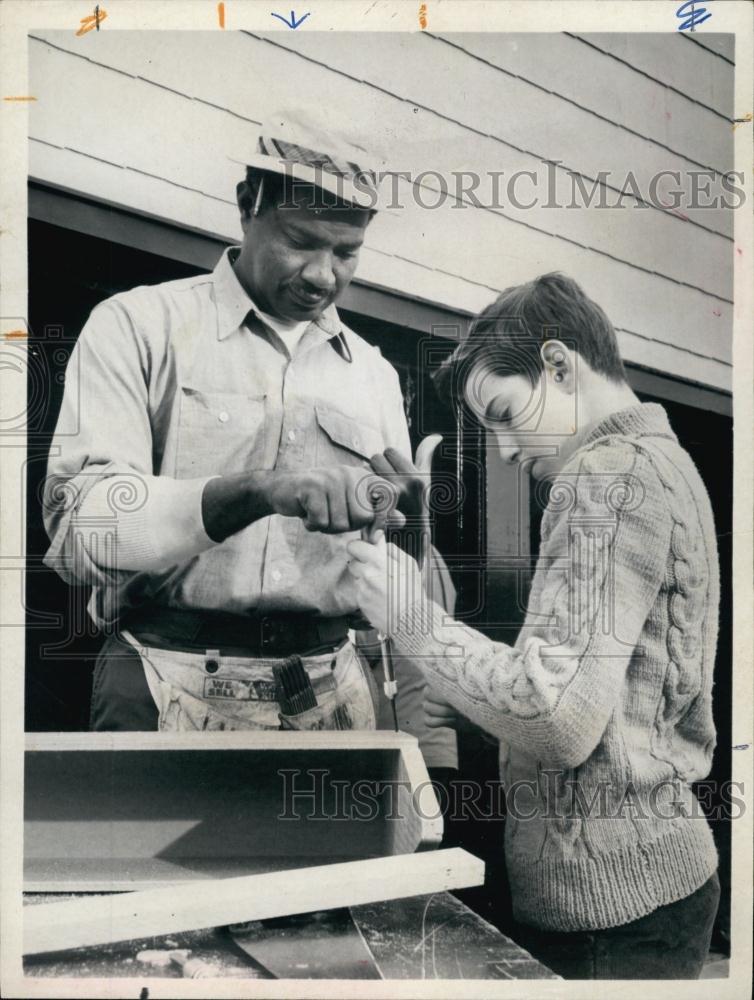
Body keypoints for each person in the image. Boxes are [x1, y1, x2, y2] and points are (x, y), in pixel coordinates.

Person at [42, 109, 456, 771]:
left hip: (338, 695)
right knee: (159, 879)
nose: (324, 274)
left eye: (346, 252)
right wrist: (257, 491)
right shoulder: (137, 327)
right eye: (302, 241)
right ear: (246, 206)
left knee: (350, 880)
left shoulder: (375, 374)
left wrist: (405, 533)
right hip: (165, 680)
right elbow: (83, 535)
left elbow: (401, 591)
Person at [348, 273, 721, 979]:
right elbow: (613, 701)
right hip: (663, 880)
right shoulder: (669, 464)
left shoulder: (604, 479)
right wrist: (472, 706)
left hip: (608, 915)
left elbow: (556, 719)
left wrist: (408, 615)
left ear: (558, 364)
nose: (505, 450)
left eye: (504, 413)